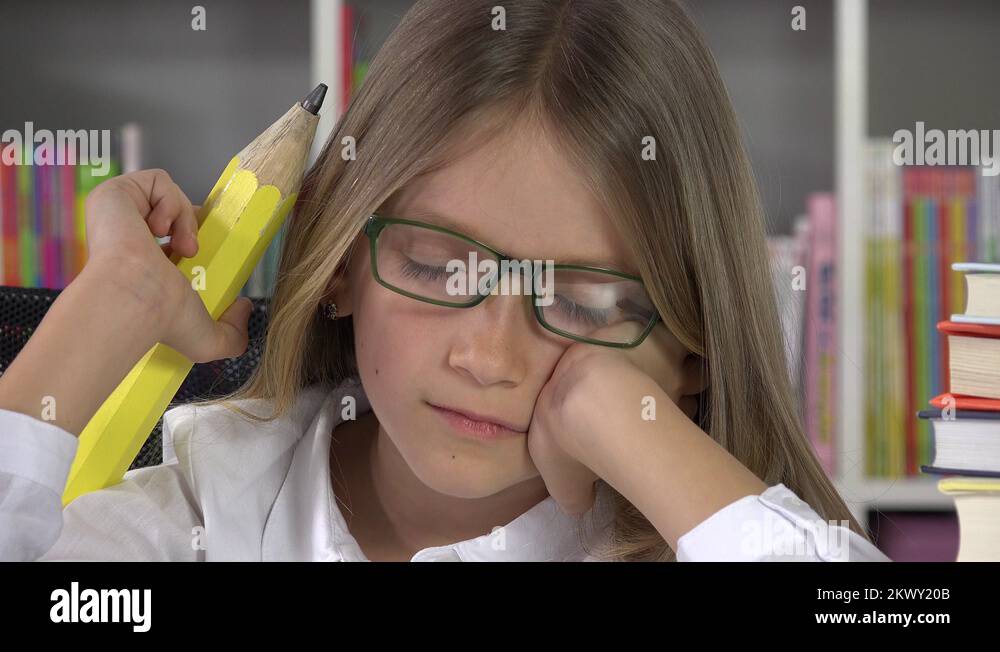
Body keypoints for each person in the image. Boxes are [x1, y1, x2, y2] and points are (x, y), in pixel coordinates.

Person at [0, 0, 890, 562]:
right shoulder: (198, 520)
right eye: (436, 265)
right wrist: (107, 305)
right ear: (342, 260)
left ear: (691, 345)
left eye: (581, 302)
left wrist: (639, 432)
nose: (489, 355)